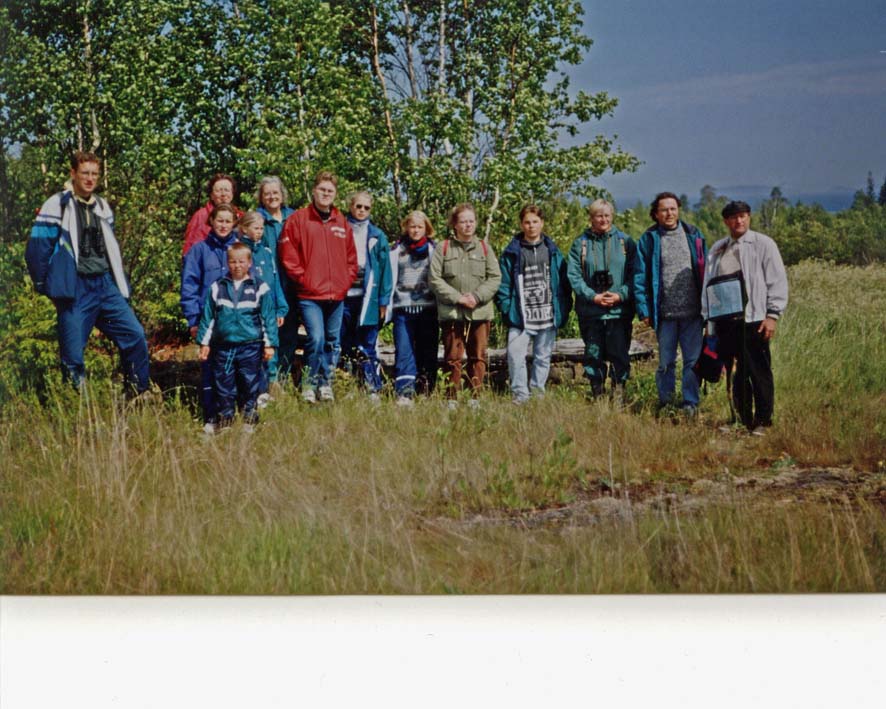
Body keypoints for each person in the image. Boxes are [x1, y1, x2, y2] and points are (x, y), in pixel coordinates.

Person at [25, 150, 151, 395]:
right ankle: (78, 407)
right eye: (85, 173)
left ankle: (137, 394)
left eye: (94, 174)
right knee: (73, 355)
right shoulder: (57, 204)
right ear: (73, 173)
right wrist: (46, 286)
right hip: (75, 288)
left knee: (135, 336)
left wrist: (118, 285)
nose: (90, 178)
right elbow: (37, 250)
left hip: (105, 286)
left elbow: (111, 250)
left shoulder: (102, 206)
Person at [702, 200, 788, 434]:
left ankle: (763, 421)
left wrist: (772, 315)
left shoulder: (763, 244)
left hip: (754, 319)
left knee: (758, 371)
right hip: (726, 320)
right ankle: (741, 418)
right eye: (733, 217)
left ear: (749, 217)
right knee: (735, 373)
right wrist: (709, 319)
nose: (739, 221)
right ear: (726, 221)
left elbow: (777, 280)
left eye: (743, 216)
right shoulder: (719, 248)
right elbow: (709, 284)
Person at [278, 171, 357, 404]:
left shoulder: (341, 222)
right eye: (322, 189)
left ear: (335, 194)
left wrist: (344, 283)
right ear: (314, 191)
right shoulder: (298, 219)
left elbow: (352, 259)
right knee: (316, 338)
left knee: (333, 341)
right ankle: (309, 384)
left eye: (330, 191)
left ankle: (326, 383)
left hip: (336, 295)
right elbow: (288, 255)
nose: (325, 194)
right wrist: (304, 280)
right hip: (310, 295)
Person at [634, 192, 707, 416]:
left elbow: (706, 270)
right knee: (666, 362)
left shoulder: (693, 234)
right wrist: (644, 310)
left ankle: (690, 403)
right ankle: (666, 403)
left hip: (693, 314)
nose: (669, 213)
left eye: (673, 208)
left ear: (678, 210)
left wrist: (709, 307)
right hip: (664, 314)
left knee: (692, 361)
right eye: (664, 210)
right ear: (656, 214)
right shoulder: (649, 239)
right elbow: (639, 277)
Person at [197, 242, 277, 432]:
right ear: (228, 263)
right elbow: (208, 317)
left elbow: (268, 318)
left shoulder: (259, 287)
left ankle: (249, 419)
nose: (237, 266)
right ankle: (226, 421)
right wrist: (204, 343)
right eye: (233, 262)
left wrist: (269, 344)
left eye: (241, 262)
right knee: (224, 385)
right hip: (223, 347)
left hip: (250, 345)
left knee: (249, 383)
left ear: (249, 263)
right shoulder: (218, 287)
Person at [496, 205, 571, 404]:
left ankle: (538, 394)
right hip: (521, 315)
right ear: (521, 224)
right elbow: (503, 284)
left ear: (542, 223)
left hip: (547, 314)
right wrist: (506, 308)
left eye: (535, 222)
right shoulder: (513, 252)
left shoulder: (552, 251)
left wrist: (563, 309)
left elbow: (564, 284)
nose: (531, 226)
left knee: (542, 357)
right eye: (527, 222)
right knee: (515, 356)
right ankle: (520, 395)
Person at [429, 203, 501, 405]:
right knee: (452, 357)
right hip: (452, 313)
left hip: (479, 312)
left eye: (471, 221)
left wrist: (476, 297)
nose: (468, 225)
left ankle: (474, 399)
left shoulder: (485, 248)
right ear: (455, 225)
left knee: (478, 356)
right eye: (463, 221)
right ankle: (451, 399)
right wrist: (458, 298)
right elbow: (434, 279)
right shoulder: (443, 248)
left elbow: (495, 277)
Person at [567, 199, 636, 400]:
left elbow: (636, 275)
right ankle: (597, 394)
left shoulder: (625, 242)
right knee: (593, 354)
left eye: (607, 215)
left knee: (619, 354)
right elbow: (574, 276)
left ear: (612, 216)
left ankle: (619, 394)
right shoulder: (580, 244)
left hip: (619, 311)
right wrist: (593, 296)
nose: (603, 220)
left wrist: (621, 295)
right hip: (591, 312)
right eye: (599, 216)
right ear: (591, 218)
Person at [181, 203, 240, 431]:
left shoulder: (241, 249)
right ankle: (211, 417)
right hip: (209, 320)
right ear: (211, 222)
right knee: (211, 369)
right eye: (219, 220)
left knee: (235, 368)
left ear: (234, 223)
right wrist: (193, 320)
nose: (223, 225)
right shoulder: (199, 250)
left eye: (228, 221)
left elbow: (253, 284)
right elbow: (189, 286)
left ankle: (231, 417)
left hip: (237, 320)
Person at [339, 191, 392, 400]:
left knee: (367, 344)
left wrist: (383, 301)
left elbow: (385, 270)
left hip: (368, 299)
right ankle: (345, 386)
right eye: (358, 206)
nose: (361, 210)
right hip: (343, 297)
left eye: (366, 208)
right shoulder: (340, 229)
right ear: (351, 206)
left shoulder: (377, 236)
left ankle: (372, 387)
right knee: (342, 343)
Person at [387, 210, 439, 406]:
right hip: (403, 307)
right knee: (404, 350)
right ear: (406, 227)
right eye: (412, 226)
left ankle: (426, 390)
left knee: (427, 350)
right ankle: (405, 392)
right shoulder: (397, 249)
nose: (416, 230)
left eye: (420, 227)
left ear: (426, 228)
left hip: (428, 308)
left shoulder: (435, 249)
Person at [238, 211, 288, 400]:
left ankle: (270, 386)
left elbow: (275, 281)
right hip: (249, 311)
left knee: (270, 347)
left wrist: (280, 308)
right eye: (255, 228)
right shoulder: (240, 251)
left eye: (261, 228)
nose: (259, 232)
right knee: (252, 351)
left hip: (269, 310)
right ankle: (252, 391)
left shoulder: (266, 252)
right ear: (244, 229)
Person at [255, 176, 299, 379]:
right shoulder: (258, 219)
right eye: (267, 194)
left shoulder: (294, 217)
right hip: (269, 285)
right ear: (261, 197)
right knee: (270, 331)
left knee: (290, 330)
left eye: (275, 192)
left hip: (293, 283)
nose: (272, 197)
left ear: (282, 195)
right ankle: (270, 378)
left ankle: (284, 374)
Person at [182, 173, 242, 257]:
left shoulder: (240, 216)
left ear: (232, 194)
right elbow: (190, 251)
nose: (223, 194)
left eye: (227, 190)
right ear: (211, 195)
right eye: (218, 191)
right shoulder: (201, 216)